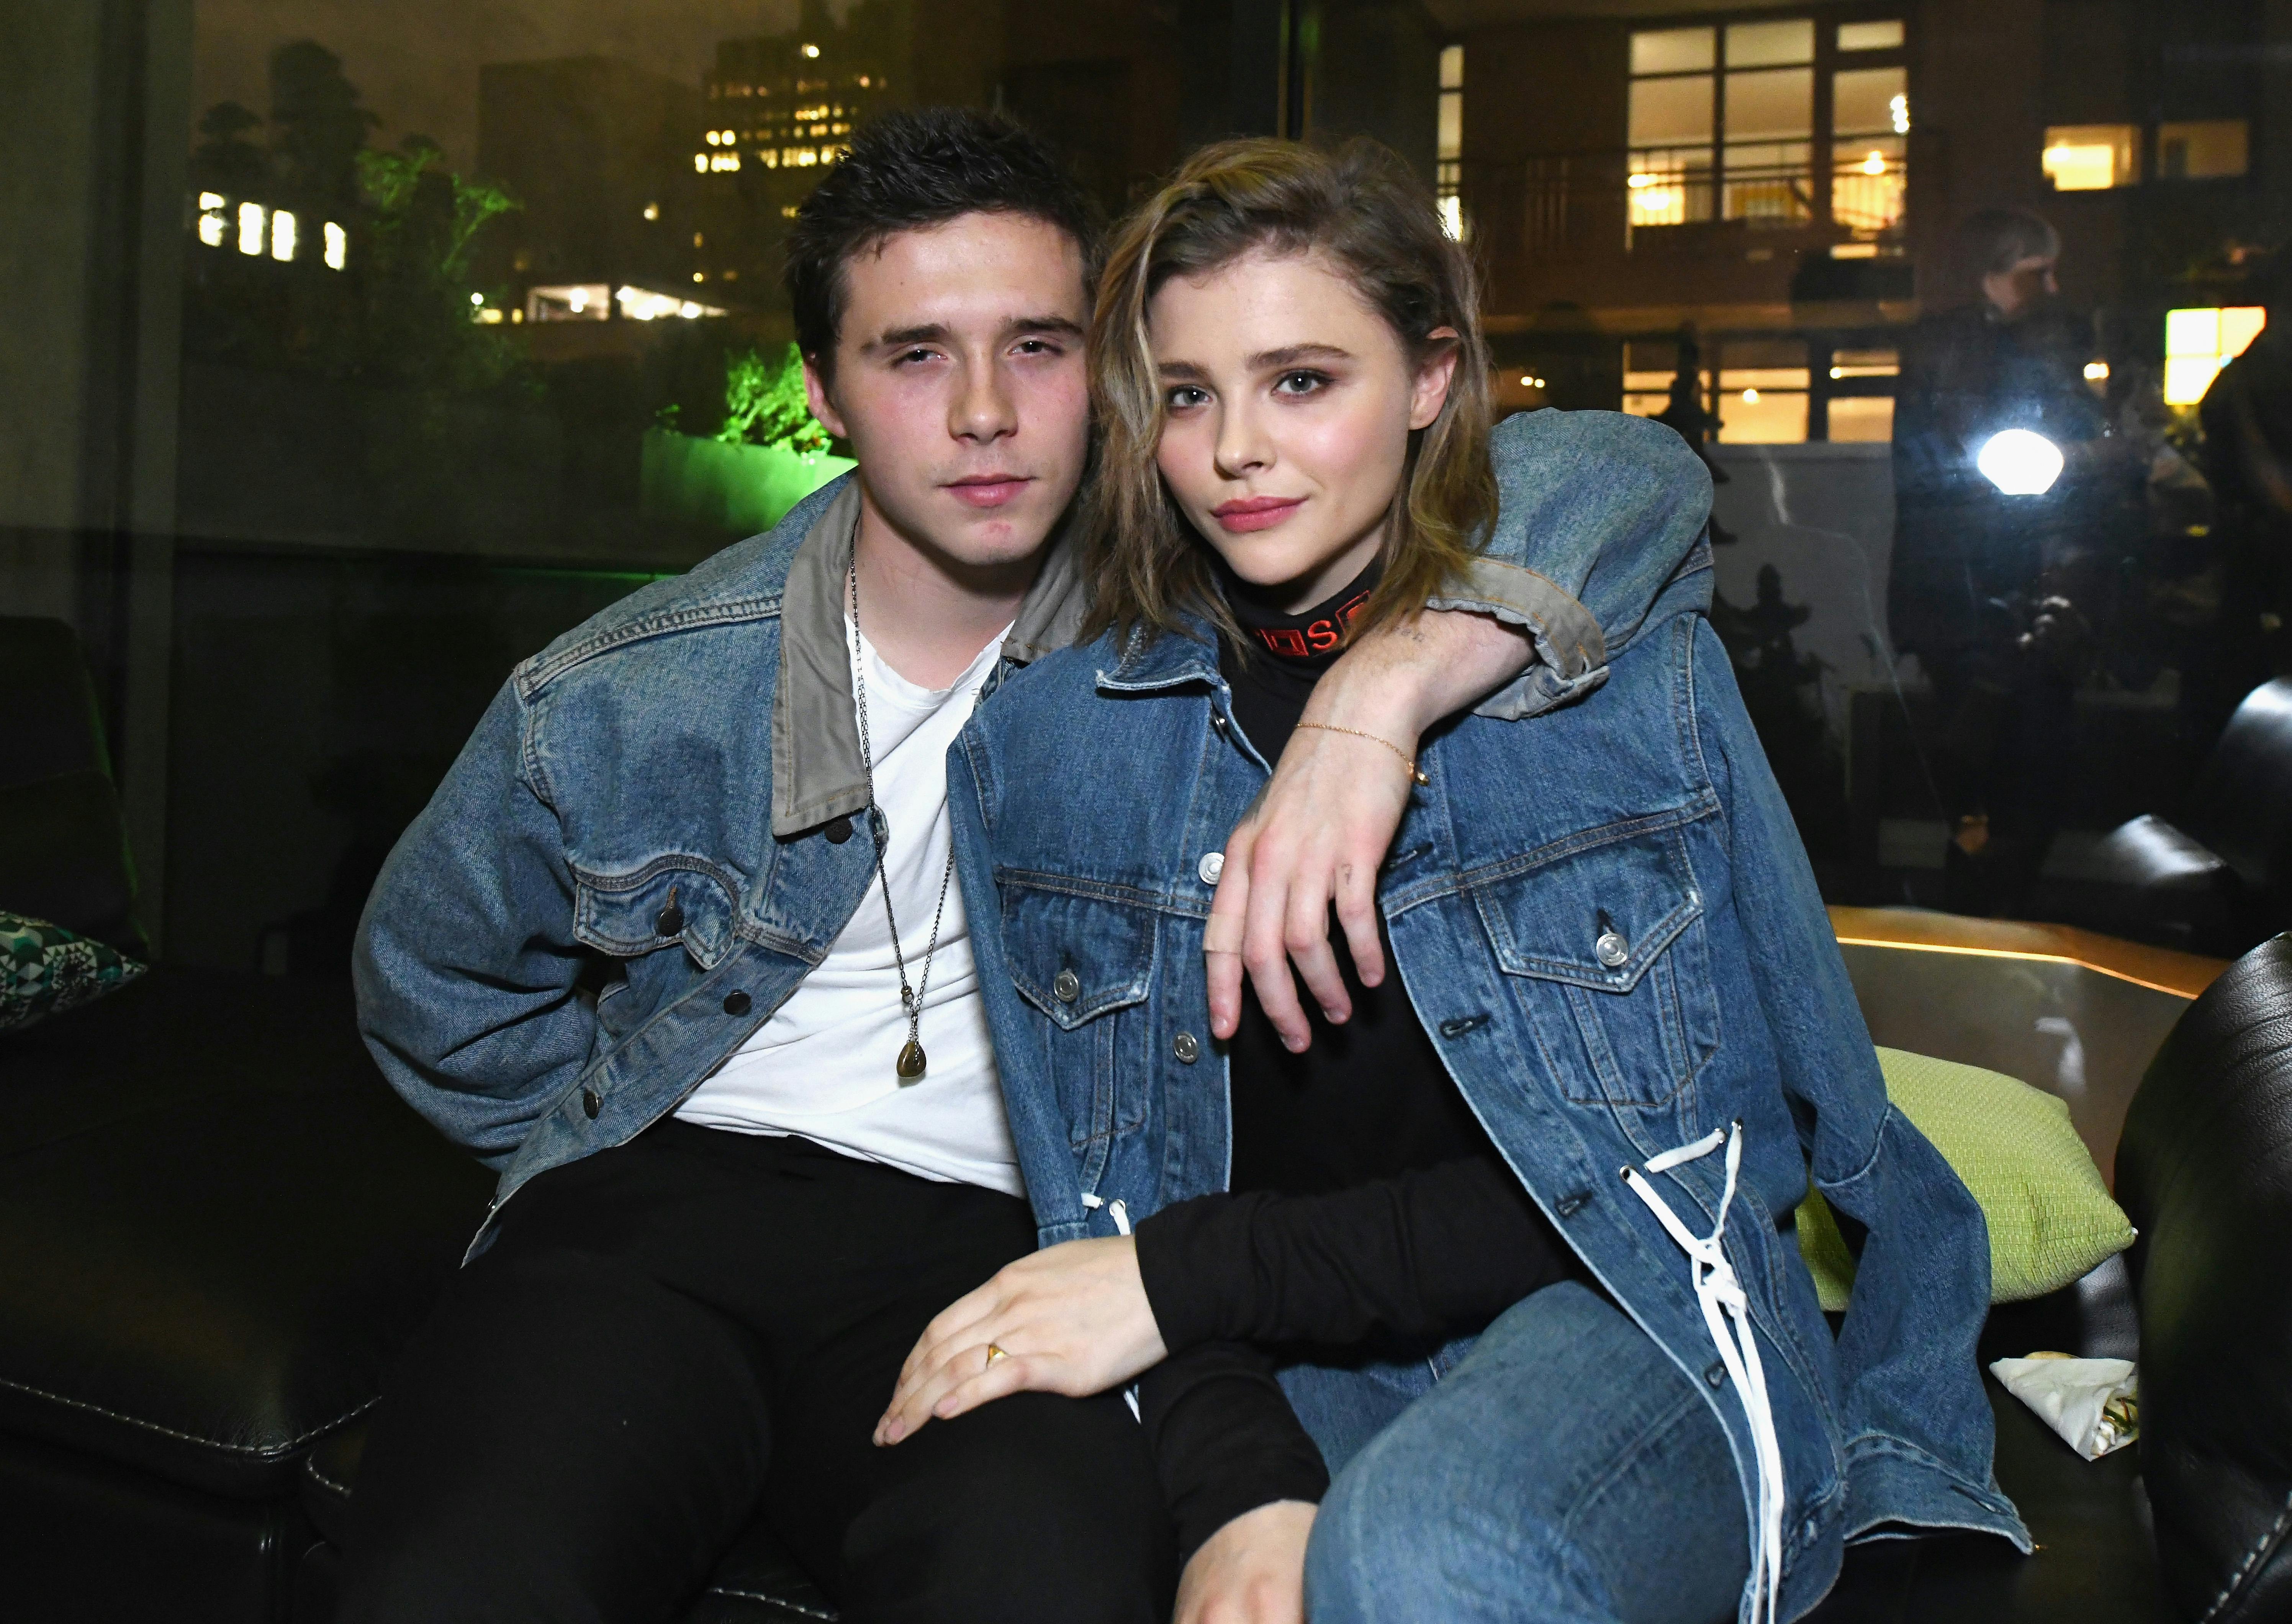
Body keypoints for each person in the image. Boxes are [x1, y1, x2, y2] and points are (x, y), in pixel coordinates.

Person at [342, 111, 1680, 1623]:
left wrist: (1376, 698)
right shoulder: (632, 691)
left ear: (1104, 378)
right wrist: (604, 1109)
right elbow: (428, 978)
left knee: (1039, 1582)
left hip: (1013, 1231)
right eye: (914, 355)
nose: (984, 413)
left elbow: (1624, 475)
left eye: (1037, 349)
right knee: (459, 1586)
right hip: (656, 1214)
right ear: (822, 391)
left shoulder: (1202, 611)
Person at [881, 138, 2026, 1623]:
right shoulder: (1058, 750)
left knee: (1420, 1554)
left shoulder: (1622, 681)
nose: (1235, 450)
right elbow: (1114, 1201)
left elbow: (1717, 1158)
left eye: (1303, 381)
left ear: (1429, 380)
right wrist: (1238, 1485)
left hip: (1624, 1312)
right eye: (1185, 395)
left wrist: (1372, 704)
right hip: (1278, 1352)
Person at [1887, 206, 2139, 914]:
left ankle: (1984, 925)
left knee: (2001, 781)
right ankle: (1985, 930)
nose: (2052, 288)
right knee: (2005, 780)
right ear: (1990, 275)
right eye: (2038, 271)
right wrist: (2099, 457)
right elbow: (1996, 464)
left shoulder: (1985, 348)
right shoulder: (1964, 350)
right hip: (1986, 603)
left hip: (1989, 601)